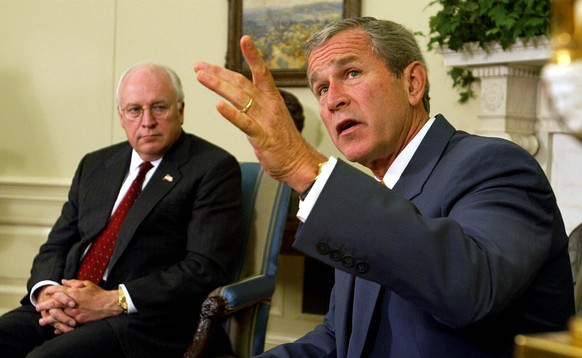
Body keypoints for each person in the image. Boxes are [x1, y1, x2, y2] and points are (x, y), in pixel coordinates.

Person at [193, 16, 575, 357]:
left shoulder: (493, 165)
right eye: (321, 88)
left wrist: (303, 167)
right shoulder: (363, 197)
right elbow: (340, 339)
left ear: (412, 82)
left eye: (352, 73)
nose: (334, 99)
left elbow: (470, 288)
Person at [0, 62, 242, 357]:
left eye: (159, 108)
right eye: (134, 110)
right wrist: (48, 292)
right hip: (67, 303)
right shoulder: (95, 164)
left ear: (181, 110)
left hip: (142, 319)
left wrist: (113, 301)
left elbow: (204, 268)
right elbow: (57, 243)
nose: (147, 121)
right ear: (121, 116)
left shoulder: (212, 167)